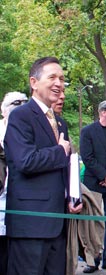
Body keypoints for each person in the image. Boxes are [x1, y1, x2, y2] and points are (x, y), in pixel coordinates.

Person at [4, 56, 82, 275]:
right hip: (31, 225)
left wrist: (72, 196)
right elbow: (25, 161)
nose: (59, 83)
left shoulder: (60, 122)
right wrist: (60, 151)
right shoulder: (20, 116)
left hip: (58, 223)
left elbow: (62, 167)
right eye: (52, 77)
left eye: (62, 78)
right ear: (34, 82)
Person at [80, 100, 106, 272]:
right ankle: (93, 260)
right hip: (93, 182)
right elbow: (87, 158)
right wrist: (104, 175)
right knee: (94, 224)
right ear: (103, 112)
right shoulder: (87, 131)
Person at [0, 92, 28, 275]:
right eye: (13, 103)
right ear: (3, 109)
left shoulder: (28, 132)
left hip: (23, 209)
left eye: (23, 103)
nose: (18, 106)